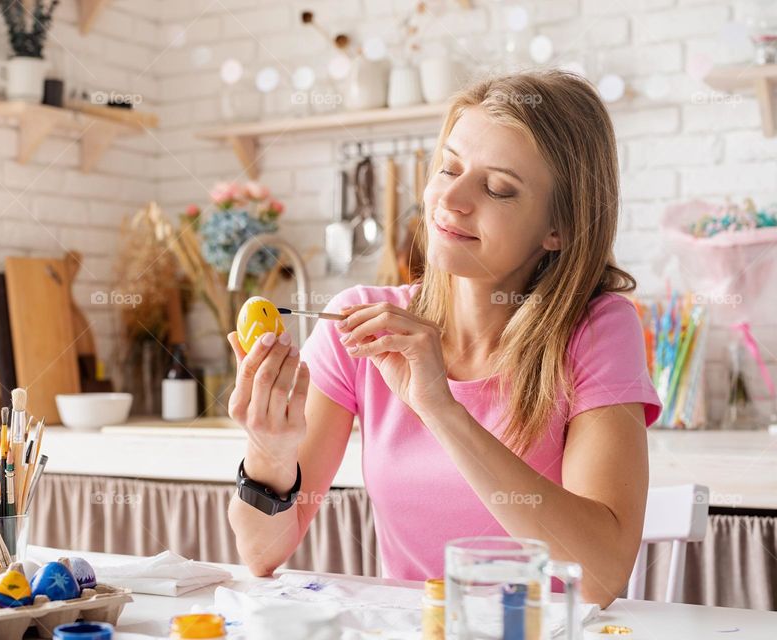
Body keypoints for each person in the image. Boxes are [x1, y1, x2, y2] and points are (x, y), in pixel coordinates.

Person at [226, 70, 661, 608]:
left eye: (498, 187)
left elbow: (601, 577)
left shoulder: (596, 329)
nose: (450, 199)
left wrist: (440, 408)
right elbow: (261, 553)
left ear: (559, 228)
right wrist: (268, 451)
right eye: (448, 168)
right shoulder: (356, 326)